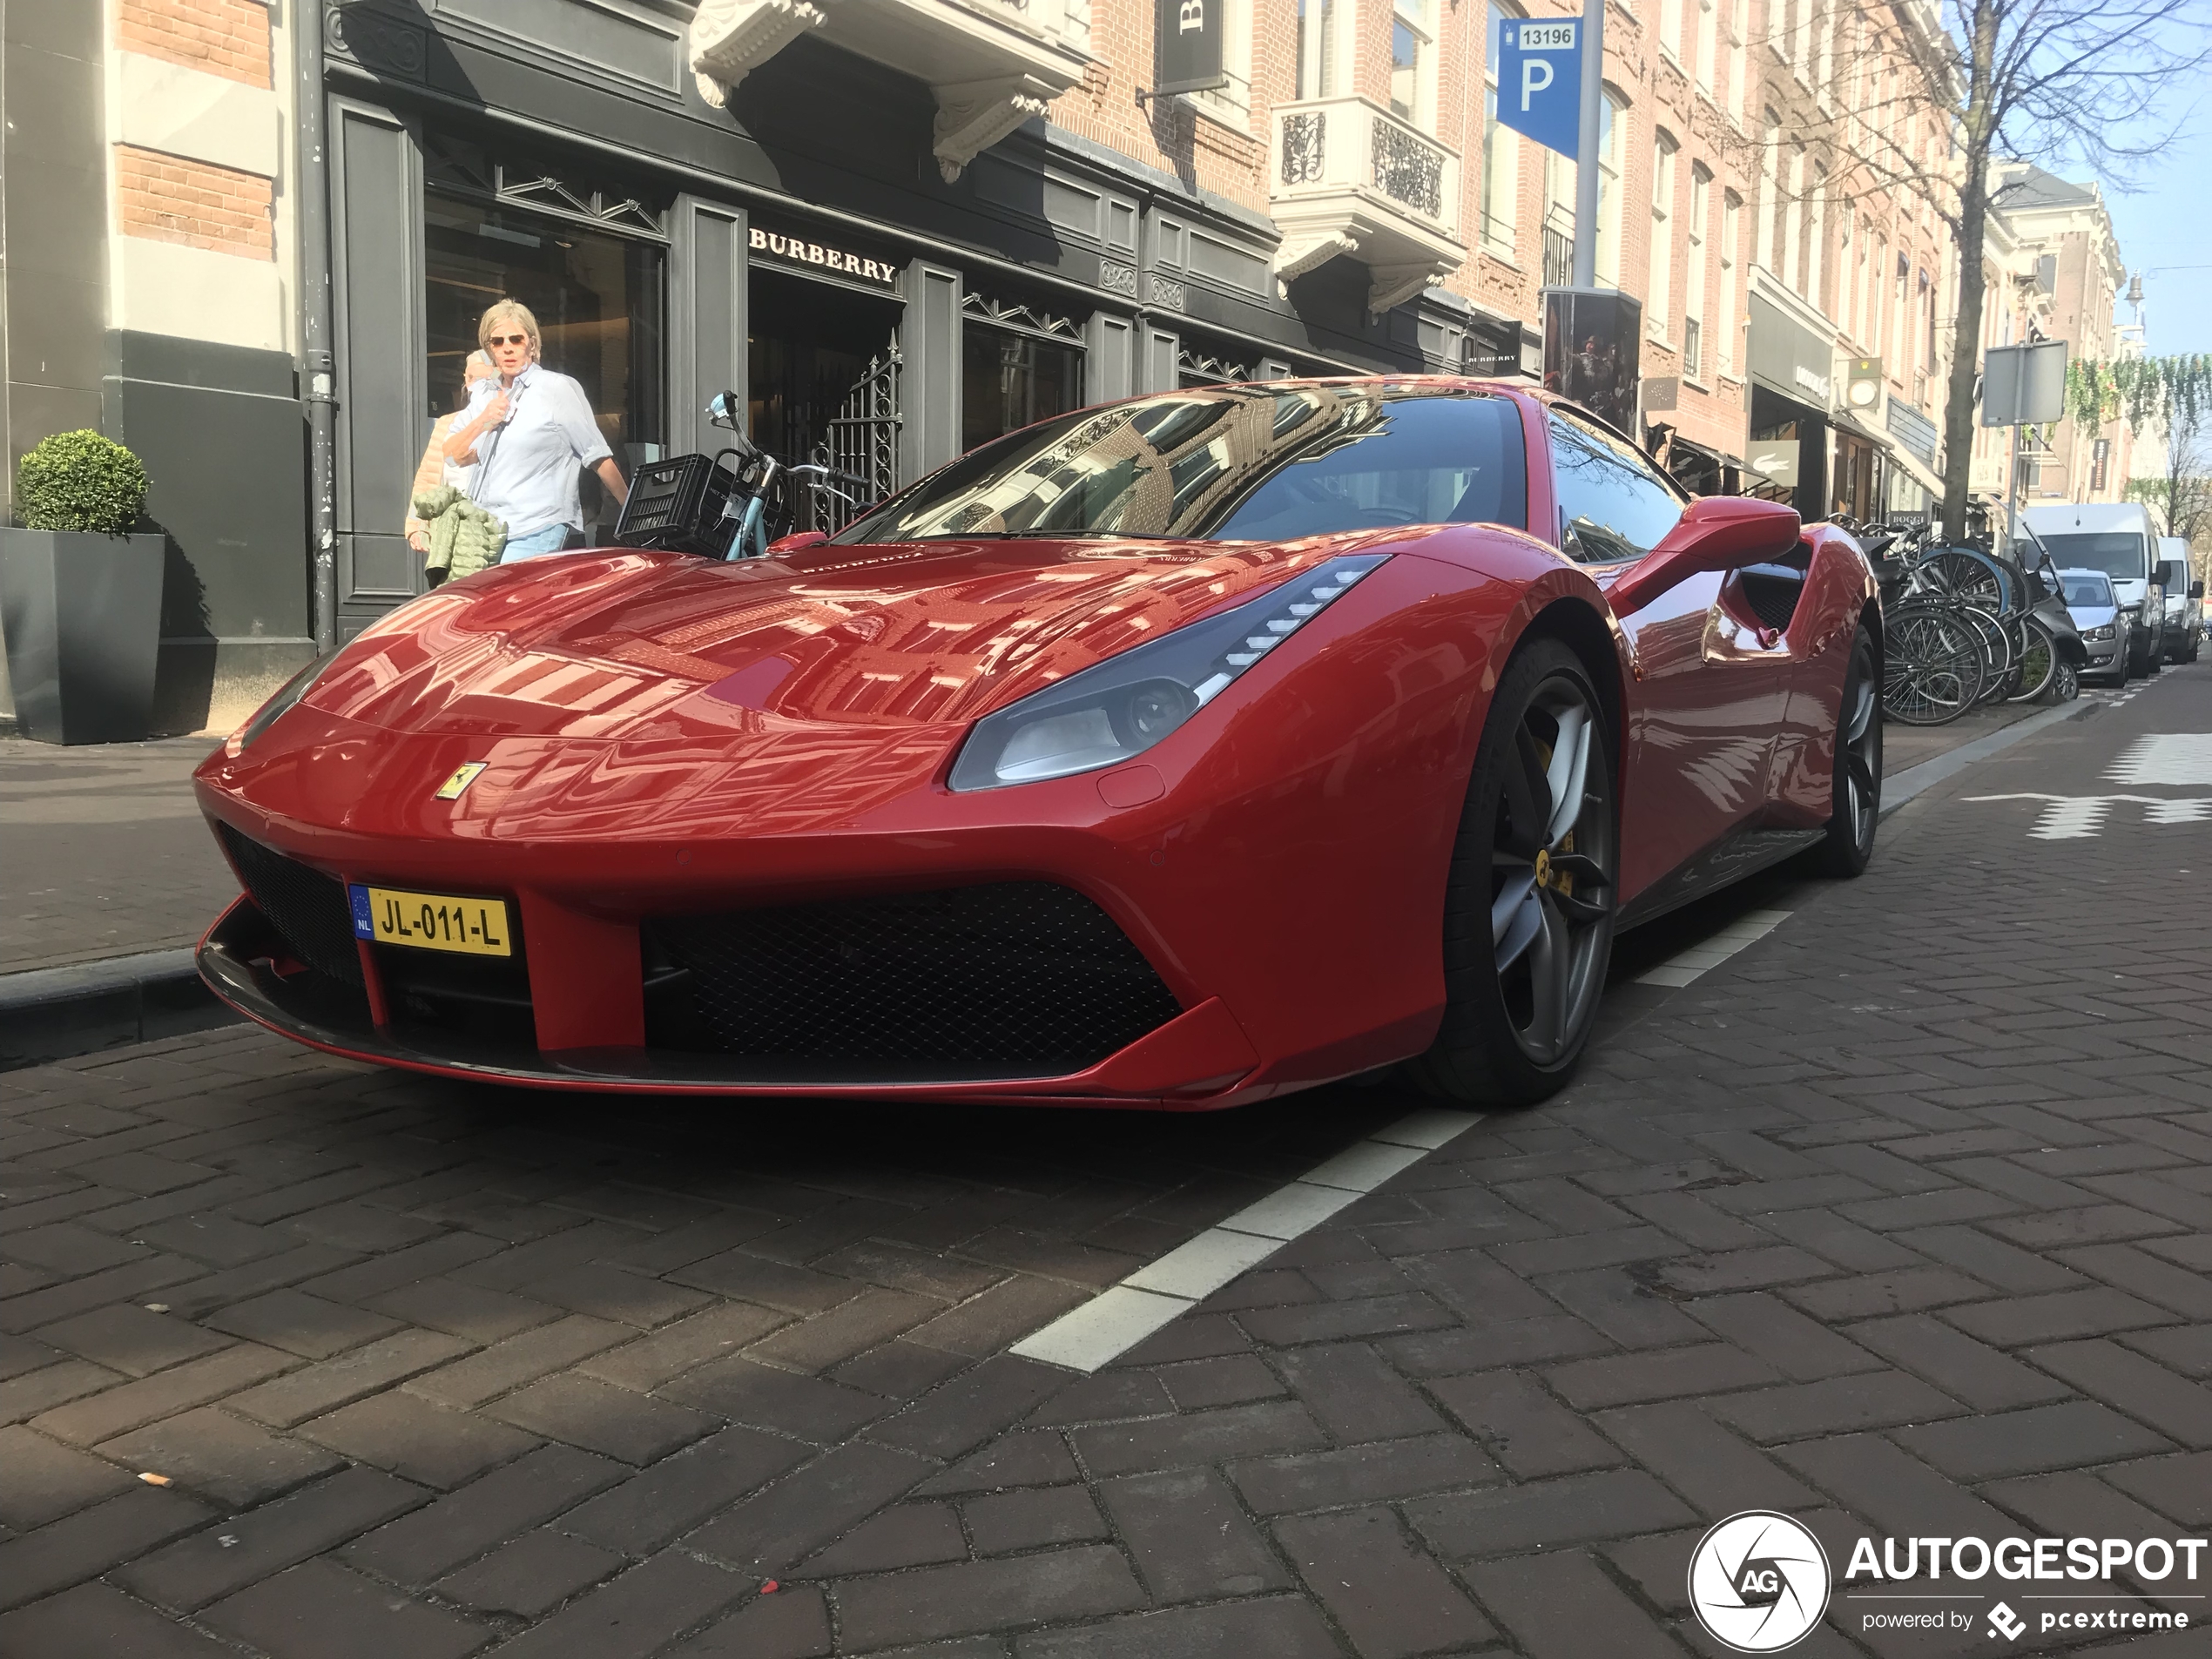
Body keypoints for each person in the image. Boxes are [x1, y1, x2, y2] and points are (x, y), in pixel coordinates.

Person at [444, 300, 627, 559]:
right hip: (481, 535)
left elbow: (596, 455)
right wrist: (483, 421)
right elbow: (453, 455)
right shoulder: (484, 396)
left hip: (536, 529)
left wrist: (631, 515)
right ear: (490, 349)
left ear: (531, 343)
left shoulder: (555, 388)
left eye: (515, 339)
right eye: (498, 342)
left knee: (514, 599)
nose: (507, 348)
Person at [405, 349, 495, 561]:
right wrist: (417, 525)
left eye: (487, 379)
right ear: (466, 379)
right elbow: (427, 478)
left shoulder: (506, 421)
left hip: (491, 530)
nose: (478, 385)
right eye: (473, 378)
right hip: (450, 534)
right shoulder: (447, 424)